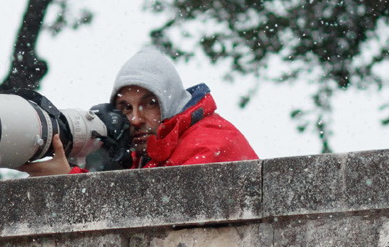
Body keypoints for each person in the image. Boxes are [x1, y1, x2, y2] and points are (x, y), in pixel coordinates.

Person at [19, 46, 258, 176]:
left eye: (150, 103)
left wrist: (69, 179)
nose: (134, 119)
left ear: (171, 101)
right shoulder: (144, 155)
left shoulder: (211, 141)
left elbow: (163, 213)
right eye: (125, 107)